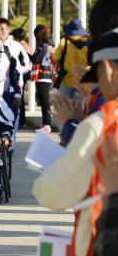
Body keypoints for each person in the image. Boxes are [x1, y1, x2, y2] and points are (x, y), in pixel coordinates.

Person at [32, 26, 118, 256]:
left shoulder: (102, 123)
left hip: (101, 240)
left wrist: (70, 125)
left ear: (108, 70)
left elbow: (51, 193)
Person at [51, 19, 89, 98]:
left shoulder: (64, 42)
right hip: (83, 80)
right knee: (79, 108)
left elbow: (55, 58)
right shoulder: (89, 43)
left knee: (65, 106)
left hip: (66, 80)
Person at [30, 24, 55, 134]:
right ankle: (45, 123)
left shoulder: (43, 46)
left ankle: (47, 125)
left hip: (43, 76)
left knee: (45, 102)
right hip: (44, 75)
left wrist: (29, 55)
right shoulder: (47, 44)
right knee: (43, 101)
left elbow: (37, 59)